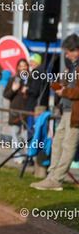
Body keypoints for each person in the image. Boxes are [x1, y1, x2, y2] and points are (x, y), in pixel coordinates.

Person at [31, 34, 79, 190]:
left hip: (75, 113)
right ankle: (51, 176)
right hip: (66, 110)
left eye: (68, 53)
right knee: (57, 143)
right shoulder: (73, 67)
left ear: (76, 50)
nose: (66, 56)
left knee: (68, 146)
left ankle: (57, 179)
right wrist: (61, 83)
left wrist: (64, 91)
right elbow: (70, 87)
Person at [3, 59, 30, 163]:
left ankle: (28, 156)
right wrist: (13, 89)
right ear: (18, 67)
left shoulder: (31, 79)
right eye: (21, 66)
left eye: (25, 66)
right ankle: (18, 156)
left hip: (27, 111)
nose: (23, 68)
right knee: (16, 135)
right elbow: (6, 95)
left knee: (27, 135)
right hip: (15, 110)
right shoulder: (13, 79)